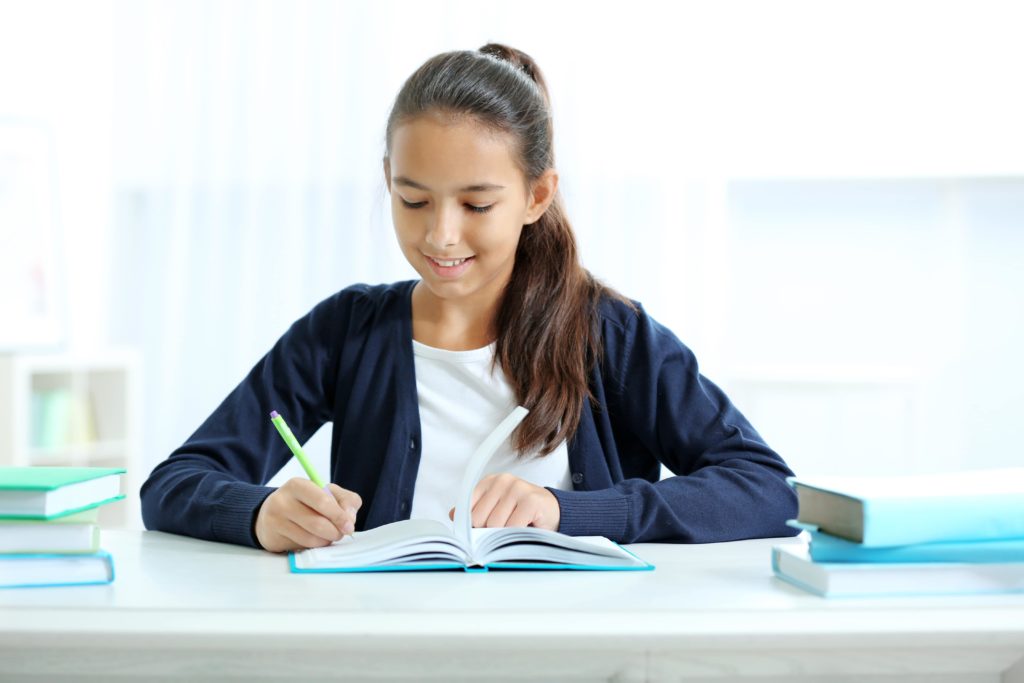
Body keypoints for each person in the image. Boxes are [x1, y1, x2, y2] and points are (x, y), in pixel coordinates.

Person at [140, 43, 799, 553]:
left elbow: (767, 489)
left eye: (477, 203)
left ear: (537, 196)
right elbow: (172, 485)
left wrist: (569, 512)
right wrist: (259, 512)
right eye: (413, 198)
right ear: (387, 182)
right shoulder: (344, 332)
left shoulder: (606, 332)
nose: (440, 234)